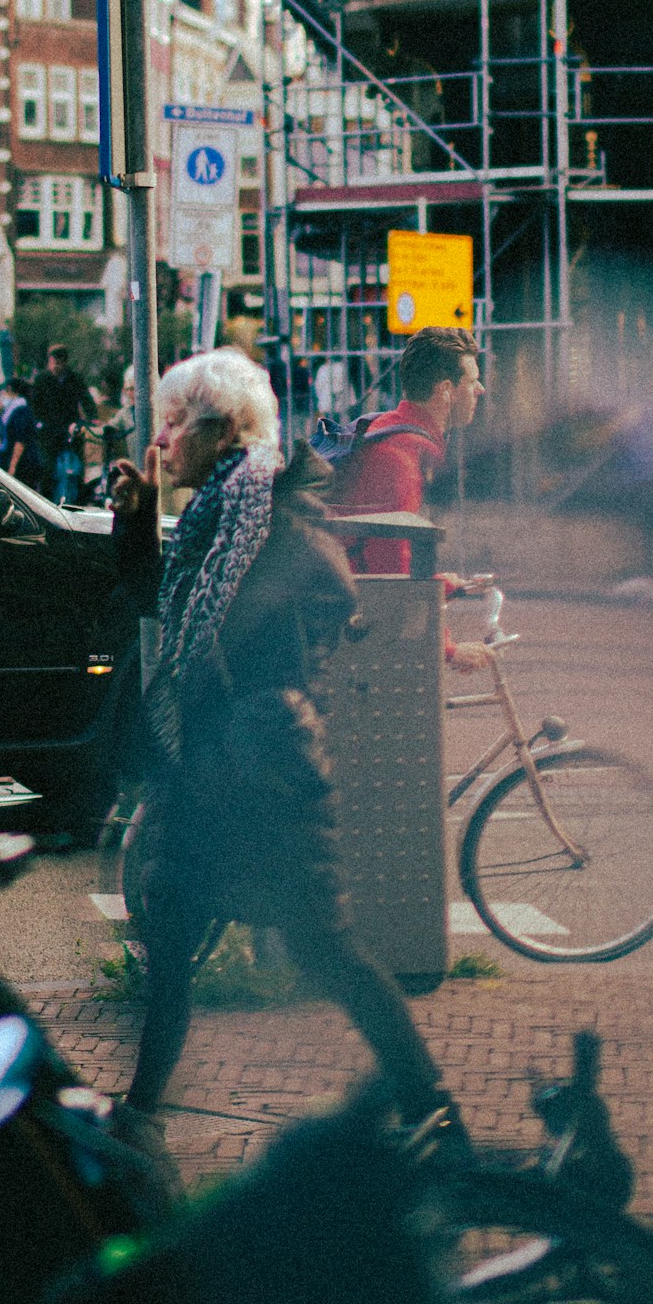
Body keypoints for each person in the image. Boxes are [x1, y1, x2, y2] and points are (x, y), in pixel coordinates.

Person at [106, 347, 450, 1178]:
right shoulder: (215, 517)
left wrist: (247, 689)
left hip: (267, 773)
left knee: (326, 951)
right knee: (172, 944)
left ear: (222, 429)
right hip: (209, 770)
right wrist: (137, 520)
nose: (162, 439)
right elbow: (162, 609)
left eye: (174, 422)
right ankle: (139, 1119)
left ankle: (434, 1111)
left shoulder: (274, 515)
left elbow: (326, 597)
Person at [328, 325, 482, 578]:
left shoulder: (387, 426)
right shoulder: (400, 459)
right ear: (446, 390)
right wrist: (444, 587)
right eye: (472, 381)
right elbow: (393, 577)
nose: (480, 389)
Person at [32, 343, 94, 505]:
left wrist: (89, 420)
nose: (56, 366)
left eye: (60, 363)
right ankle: (46, 503)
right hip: (49, 432)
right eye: (54, 362)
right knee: (48, 470)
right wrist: (40, 424)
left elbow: (86, 400)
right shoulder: (41, 380)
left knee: (75, 469)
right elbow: (34, 405)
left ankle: (76, 502)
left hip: (70, 429)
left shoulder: (74, 379)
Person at [0, 378, 42, 486]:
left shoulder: (21, 411)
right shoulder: (9, 410)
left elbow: (20, 441)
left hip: (23, 464)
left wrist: (12, 467)